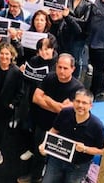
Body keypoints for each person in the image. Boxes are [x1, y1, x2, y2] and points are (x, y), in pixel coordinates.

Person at [17, 53, 84, 183]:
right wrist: (58, 106)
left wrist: (47, 99)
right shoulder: (49, 77)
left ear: (73, 69)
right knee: (39, 152)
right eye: (59, 67)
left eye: (65, 68)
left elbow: (65, 112)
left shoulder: (77, 88)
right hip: (43, 123)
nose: (61, 71)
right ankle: (35, 176)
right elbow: (36, 98)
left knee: (56, 159)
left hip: (62, 129)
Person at [39, 89, 104, 183]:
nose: (80, 105)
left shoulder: (97, 126)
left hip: (78, 166)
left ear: (91, 106)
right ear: (73, 102)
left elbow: (102, 150)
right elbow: (54, 130)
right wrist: (45, 144)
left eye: (84, 103)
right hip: (57, 159)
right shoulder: (65, 113)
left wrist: (85, 149)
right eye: (77, 101)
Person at [67, 0, 92, 79]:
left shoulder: (88, 4)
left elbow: (85, 21)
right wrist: (76, 18)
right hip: (66, 32)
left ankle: (75, 79)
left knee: (76, 59)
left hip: (79, 35)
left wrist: (68, 16)